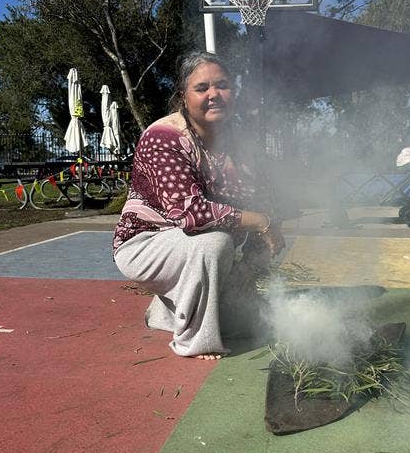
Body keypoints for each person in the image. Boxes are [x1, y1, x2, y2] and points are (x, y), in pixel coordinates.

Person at [113, 51, 285, 360]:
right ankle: (196, 340)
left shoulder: (238, 141)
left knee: (247, 321)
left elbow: (264, 200)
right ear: (183, 96)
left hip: (196, 243)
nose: (214, 95)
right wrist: (261, 221)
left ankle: (167, 312)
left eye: (222, 85)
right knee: (214, 243)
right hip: (145, 243)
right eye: (202, 88)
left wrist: (264, 241)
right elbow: (190, 214)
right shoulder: (163, 136)